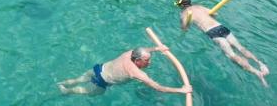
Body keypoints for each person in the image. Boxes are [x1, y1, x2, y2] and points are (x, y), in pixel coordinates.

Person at [175, 0, 269, 86]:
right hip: (220, 26)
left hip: (211, 32)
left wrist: (186, 24)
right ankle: (260, 63)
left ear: (181, 5)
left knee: (231, 55)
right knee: (240, 48)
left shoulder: (184, 14)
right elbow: (215, 13)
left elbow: (184, 28)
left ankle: (257, 72)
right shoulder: (199, 6)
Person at [58, 46, 192, 96]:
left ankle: (61, 82)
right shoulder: (136, 72)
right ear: (138, 60)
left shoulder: (129, 54)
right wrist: (181, 90)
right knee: (87, 92)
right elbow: (158, 87)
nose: (149, 62)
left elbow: (144, 49)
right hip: (102, 82)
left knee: (79, 79)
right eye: (147, 60)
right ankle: (67, 90)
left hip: (98, 68)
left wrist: (157, 49)